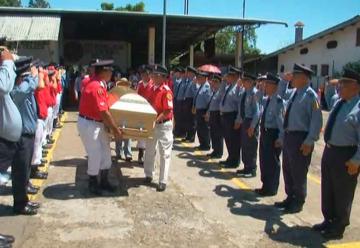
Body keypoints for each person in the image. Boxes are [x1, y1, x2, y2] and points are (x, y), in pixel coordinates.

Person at [313, 69, 360, 240]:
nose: (339, 87)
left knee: (343, 191)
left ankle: (339, 225)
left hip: (346, 154)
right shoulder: (338, 102)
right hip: (330, 150)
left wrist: (356, 160)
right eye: (339, 83)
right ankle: (328, 219)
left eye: (343, 84)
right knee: (328, 188)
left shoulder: (358, 107)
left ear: (355, 86)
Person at [275, 63, 323, 213]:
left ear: (304, 78)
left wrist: (309, 140)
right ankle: (290, 197)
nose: (292, 78)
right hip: (289, 136)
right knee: (288, 168)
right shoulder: (295, 92)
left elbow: (317, 121)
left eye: (295, 76)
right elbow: (280, 95)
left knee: (298, 171)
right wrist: (283, 81)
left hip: (300, 138)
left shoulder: (311, 96)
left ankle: (298, 201)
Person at [0, 51, 38, 215]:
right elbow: (28, 87)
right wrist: (33, 77)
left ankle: (22, 201)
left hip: (26, 134)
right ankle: (20, 204)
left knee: (24, 171)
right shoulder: (16, 90)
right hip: (20, 136)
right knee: (20, 172)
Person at [78, 59, 123, 195]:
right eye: (109, 71)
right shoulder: (97, 87)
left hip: (97, 123)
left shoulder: (99, 84)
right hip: (90, 124)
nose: (111, 73)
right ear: (103, 71)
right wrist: (115, 129)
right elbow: (103, 111)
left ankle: (104, 180)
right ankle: (93, 183)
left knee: (106, 152)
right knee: (95, 153)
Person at [143, 64, 174, 192]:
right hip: (153, 124)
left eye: (156, 75)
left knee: (164, 154)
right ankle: (149, 174)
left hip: (163, 126)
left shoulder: (166, 91)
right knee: (149, 150)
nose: (153, 77)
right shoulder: (151, 88)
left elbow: (167, 111)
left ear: (163, 77)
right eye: (153, 75)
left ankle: (162, 181)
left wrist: (155, 120)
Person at [256, 73, 285, 196]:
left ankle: (272, 188)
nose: (264, 86)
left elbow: (282, 123)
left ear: (274, 86)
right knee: (264, 160)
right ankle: (265, 185)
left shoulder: (279, 102)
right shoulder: (266, 99)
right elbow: (257, 96)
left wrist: (281, 138)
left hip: (273, 134)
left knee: (272, 162)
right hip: (265, 132)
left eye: (267, 84)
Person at [235, 72, 260, 177]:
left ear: (251, 82)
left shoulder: (254, 93)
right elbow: (240, 105)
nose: (243, 83)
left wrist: (252, 126)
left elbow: (257, 111)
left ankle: (252, 169)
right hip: (245, 120)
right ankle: (246, 167)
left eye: (245, 81)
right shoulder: (245, 92)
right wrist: (239, 120)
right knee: (244, 145)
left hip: (251, 122)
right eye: (243, 81)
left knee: (251, 146)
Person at [219, 66, 243, 168]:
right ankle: (230, 158)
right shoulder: (229, 86)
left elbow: (239, 105)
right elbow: (220, 94)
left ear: (235, 76)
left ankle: (234, 161)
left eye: (229, 76)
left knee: (234, 140)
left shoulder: (238, 88)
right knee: (228, 139)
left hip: (232, 115)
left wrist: (238, 119)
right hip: (225, 116)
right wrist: (223, 82)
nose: (227, 77)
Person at [136, 65, 153, 164]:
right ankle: (141, 154)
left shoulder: (153, 84)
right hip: (141, 111)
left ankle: (149, 157)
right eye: (142, 74)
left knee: (149, 135)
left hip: (150, 112)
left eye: (145, 74)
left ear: (149, 74)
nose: (143, 76)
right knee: (141, 133)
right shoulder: (140, 84)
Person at [205, 74, 224, 158]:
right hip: (212, 114)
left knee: (218, 134)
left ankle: (219, 152)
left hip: (217, 115)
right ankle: (215, 150)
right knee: (213, 133)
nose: (214, 83)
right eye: (213, 81)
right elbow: (211, 105)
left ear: (220, 83)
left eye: (216, 82)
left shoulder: (220, 92)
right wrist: (208, 113)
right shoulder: (214, 92)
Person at [193, 70, 212, 151]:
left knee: (204, 128)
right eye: (198, 78)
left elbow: (209, 101)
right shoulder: (200, 86)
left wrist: (207, 112)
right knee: (199, 128)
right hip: (199, 110)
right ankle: (202, 144)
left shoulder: (207, 87)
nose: (198, 79)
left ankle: (206, 145)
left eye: (200, 78)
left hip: (204, 110)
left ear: (205, 78)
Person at [182, 66, 198, 142]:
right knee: (187, 120)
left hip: (191, 101)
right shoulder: (189, 81)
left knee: (192, 120)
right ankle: (188, 135)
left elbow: (195, 93)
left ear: (191, 73)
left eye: (187, 72)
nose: (186, 74)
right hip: (187, 101)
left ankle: (191, 137)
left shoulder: (195, 81)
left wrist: (194, 105)